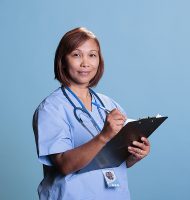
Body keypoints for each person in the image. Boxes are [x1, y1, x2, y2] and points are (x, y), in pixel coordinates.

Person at [32, 27, 150, 200]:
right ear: (63, 60)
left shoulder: (109, 105)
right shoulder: (51, 109)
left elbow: (116, 160)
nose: (85, 63)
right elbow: (64, 165)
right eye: (76, 55)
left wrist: (135, 154)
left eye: (92, 55)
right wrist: (104, 136)